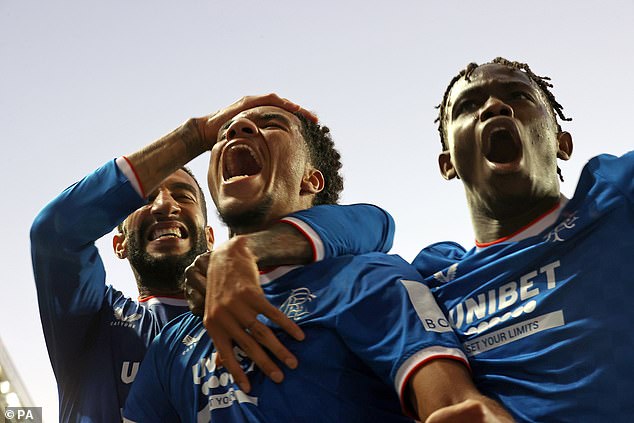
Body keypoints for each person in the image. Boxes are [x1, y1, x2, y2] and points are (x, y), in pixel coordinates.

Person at [197, 59, 634, 421]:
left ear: (563, 141)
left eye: (519, 97)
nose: (496, 106)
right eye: (468, 105)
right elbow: (366, 230)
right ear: (447, 163)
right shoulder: (432, 275)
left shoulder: (615, 198)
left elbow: (372, 223)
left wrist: (245, 249)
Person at [122, 103, 512, 422]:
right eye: (225, 132)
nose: (237, 128)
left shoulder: (367, 278)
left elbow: (453, 405)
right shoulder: (175, 340)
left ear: (311, 180)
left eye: (271, 125)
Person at [30, 94, 392, 422]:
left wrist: (248, 249)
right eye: (145, 199)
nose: (164, 206)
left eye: (184, 196)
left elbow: (374, 223)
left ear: (210, 237)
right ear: (119, 244)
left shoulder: (303, 294)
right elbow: (55, 233)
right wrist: (195, 136)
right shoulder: (94, 322)